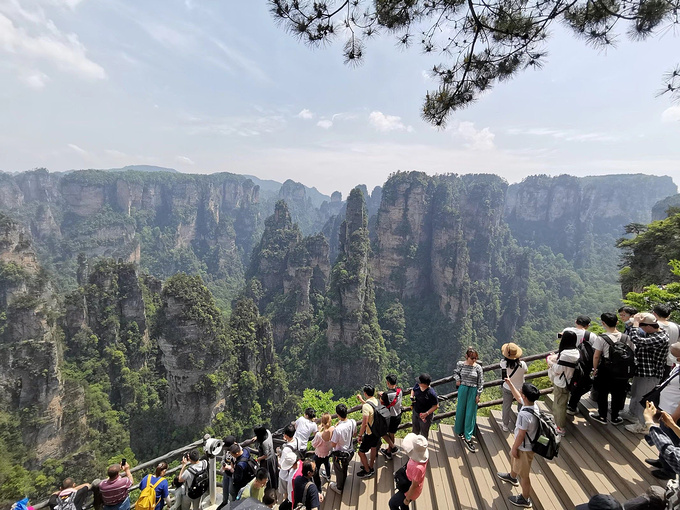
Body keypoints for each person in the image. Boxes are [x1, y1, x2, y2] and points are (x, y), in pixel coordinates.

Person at [496, 380, 542, 509]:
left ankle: (525, 499)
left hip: (524, 448)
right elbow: (517, 397)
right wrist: (510, 384)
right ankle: (512, 476)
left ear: (525, 397)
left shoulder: (523, 415)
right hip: (526, 445)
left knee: (525, 475)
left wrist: (514, 448)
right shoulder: (533, 406)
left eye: (522, 392)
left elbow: (521, 435)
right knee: (516, 463)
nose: (520, 394)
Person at [624, 313, 669, 433]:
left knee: (644, 400)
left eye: (642, 326)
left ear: (649, 326)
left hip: (651, 374)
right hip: (642, 370)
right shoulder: (654, 333)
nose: (640, 329)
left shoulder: (660, 338)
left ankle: (643, 425)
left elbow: (638, 341)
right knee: (635, 393)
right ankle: (632, 414)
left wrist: (635, 325)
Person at [589, 312, 636, 425]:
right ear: (617, 322)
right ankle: (615, 417)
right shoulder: (626, 337)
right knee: (618, 393)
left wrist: (594, 369)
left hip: (606, 368)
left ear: (603, 323)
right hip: (622, 370)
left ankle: (602, 416)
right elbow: (632, 352)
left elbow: (596, 355)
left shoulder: (602, 338)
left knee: (602, 393)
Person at [645, 342, 680, 480]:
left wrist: (674, 419)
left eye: (676, 355)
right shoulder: (677, 366)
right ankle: (662, 459)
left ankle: (668, 471)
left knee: (671, 440)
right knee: (664, 435)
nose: (674, 358)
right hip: (666, 409)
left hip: (673, 413)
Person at [547, 330, 580, 436]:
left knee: (559, 404)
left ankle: (560, 428)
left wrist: (550, 362)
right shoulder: (576, 351)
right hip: (570, 380)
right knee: (562, 402)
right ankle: (558, 421)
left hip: (562, 382)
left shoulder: (565, 354)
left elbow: (558, 369)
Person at [453, 347, 484, 452]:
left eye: (475, 358)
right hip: (463, 388)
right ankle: (459, 430)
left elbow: (481, 381)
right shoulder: (461, 364)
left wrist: (478, 394)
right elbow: (456, 373)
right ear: (467, 356)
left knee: (470, 413)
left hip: (473, 390)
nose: (474, 360)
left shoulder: (478, 368)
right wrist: (458, 380)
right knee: (461, 410)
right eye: (472, 358)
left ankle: (468, 436)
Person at [388, 433, 429, 510]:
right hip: (408, 482)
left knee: (392, 503)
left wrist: (407, 499)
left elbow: (414, 485)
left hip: (409, 490)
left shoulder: (418, 468)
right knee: (403, 506)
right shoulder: (422, 456)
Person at [328, 403, 356, 494]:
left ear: (337, 414)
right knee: (345, 466)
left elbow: (333, 444)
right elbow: (354, 433)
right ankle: (344, 477)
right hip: (350, 451)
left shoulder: (338, 429)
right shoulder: (352, 422)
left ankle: (339, 487)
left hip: (340, 455)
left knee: (338, 470)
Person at [500, 343, 528, 432]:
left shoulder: (503, 363)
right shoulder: (522, 364)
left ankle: (505, 425)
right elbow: (526, 371)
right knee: (521, 406)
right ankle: (520, 424)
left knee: (506, 406)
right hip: (520, 389)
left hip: (508, 388)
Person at [356, 385, 379, 478]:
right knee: (373, 448)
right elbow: (370, 408)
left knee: (361, 452)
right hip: (377, 430)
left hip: (370, 433)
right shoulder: (376, 401)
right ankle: (371, 466)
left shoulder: (366, 406)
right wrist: (362, 400)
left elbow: (364, 423)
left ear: (365, 393)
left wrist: (360, 435)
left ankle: (367, 470)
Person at [278, 424, 304, 505]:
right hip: (294, 467)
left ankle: (287, 503)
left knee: (285, 492)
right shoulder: (298, 440)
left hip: (285, 474)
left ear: (286, 435)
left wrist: (278, 456)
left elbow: (282, 465)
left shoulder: (286, 449)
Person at [379, 374, 403, 460]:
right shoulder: (400, 391)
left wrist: (381, 395)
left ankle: (393, 447)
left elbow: (381, 402)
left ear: (388, 383)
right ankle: (389, 452)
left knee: (381, 432)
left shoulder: (386, 394)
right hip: (398, 415)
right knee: (392, 433)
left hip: (390, 417)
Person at [247, 426, 278, 490]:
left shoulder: (264, 443)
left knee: (267, 474)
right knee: (273, 474)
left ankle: (267, 488)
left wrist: (259, 459)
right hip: (272, 456)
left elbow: (266, 455)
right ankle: (273, 487)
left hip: (267, 460)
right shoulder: (268, 432)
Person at [653, 304, 680, 381]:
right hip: (671, 361)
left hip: (655, 362)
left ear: (654, 314)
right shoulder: (677, 326)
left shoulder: (654, 326)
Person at [410, 373, 439, 439]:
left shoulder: (431, 393)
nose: (418, 383)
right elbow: (413, 390)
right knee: (414, 430)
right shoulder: (417, 385)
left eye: (420, 382)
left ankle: (422, 447)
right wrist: (412, 396)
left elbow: (436, 405)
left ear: (424, 384)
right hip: (416, 412)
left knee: (424, 433)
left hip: (425, 416)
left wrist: (426, 414)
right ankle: (414, 445)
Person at [311, 413, 333, 491]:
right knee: (327, 463)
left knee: (316, 470)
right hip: (327, 453)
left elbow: (313, 444)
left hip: (319, 455)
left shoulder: (319, 435)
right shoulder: (333, 430)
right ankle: (328, 476)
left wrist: (318, 431)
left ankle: (318, 488)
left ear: (322, 422)